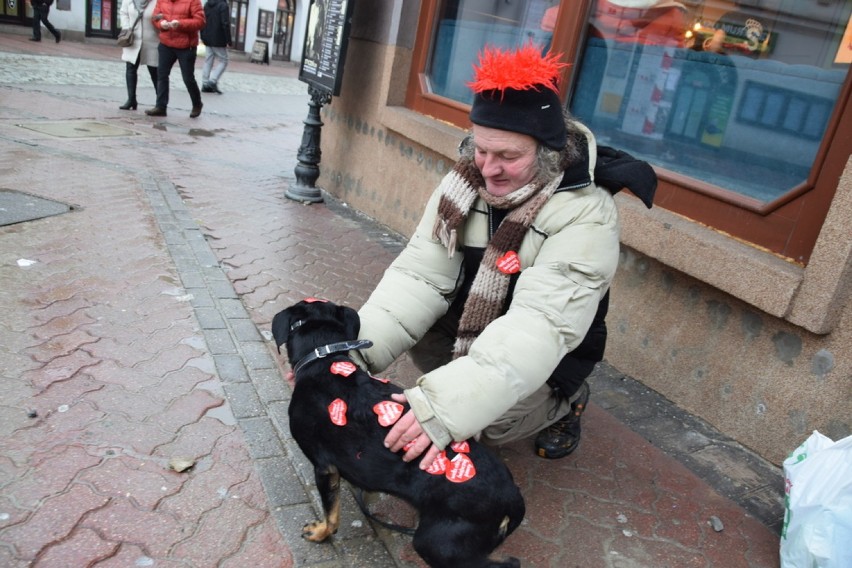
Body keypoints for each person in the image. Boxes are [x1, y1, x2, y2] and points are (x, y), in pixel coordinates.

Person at [351, 44, 655, 468]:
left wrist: (446, 408)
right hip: (472, 321)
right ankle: (468, 381)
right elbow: (419, 277)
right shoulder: (462, 183)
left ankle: (565, 402)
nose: (488, 169)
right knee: (431, 354)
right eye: (481, 150)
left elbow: (540, 325)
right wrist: (351, 353)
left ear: (548, 153)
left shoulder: (587, 212)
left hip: (554, 351)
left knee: (486, 425)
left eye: (509, 157)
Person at [145, 0, 205, 118]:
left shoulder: (193, 1)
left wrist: (180, 23)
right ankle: (161, 107)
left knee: (188, 78)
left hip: (186, 46)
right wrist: (161, 24)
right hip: (166, 43)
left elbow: (200, 22)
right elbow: (155, 17)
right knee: (161, 75)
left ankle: (197, 104)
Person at [118, 0, 159, 110]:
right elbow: (123, 12)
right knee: (130, 68)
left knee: (154, 70)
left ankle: (160, 103)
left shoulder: (157, 1)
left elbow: (162, 15)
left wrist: (158, 23)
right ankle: (131, 99)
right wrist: (126, 27)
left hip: (151, 40)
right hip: (133, 38)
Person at [200, 0, 232, 94]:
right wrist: (228, 40)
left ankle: (205, 83)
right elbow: (225, 23)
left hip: (207, 36)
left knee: (208, 60)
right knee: (224, 60)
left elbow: (203, 20)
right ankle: (212, 81)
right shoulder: (223, 5)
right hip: (218, 38)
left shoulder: (207, 4)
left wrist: (202, 35)